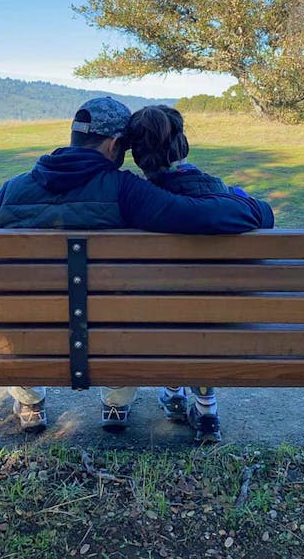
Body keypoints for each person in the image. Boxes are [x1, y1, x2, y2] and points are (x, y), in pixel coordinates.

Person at [0, 97, 274, 435]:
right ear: (113, 145)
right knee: (123, 312)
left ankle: (30, 400)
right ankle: (116, 401)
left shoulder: (11, 190)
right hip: (110, 339)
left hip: (28, 334)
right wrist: (260, 211)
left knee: (17, 308)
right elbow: (202, 215)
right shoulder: (126, 191)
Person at [124, 104, 252, 444]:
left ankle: (174, 391)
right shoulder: (225, 195)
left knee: (164, 310)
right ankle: (206, 409)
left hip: (155, 322)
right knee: (200, 313)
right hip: (218, 322)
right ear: (183, 145)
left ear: (137, 156)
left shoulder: (134, 202)